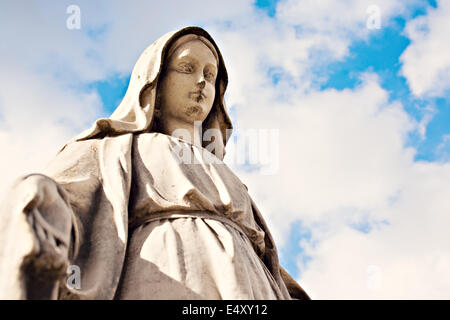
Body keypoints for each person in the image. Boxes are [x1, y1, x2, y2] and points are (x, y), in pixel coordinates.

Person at [0, 26, 309, 300]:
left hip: (251, 284)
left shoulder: (224, 171)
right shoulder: (114, 149)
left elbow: (267, 258)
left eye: (210, 74)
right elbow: (65, 200)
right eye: (187, 68)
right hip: (168, 271)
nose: (201, 80)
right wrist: (38, 197)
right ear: (154, 81)